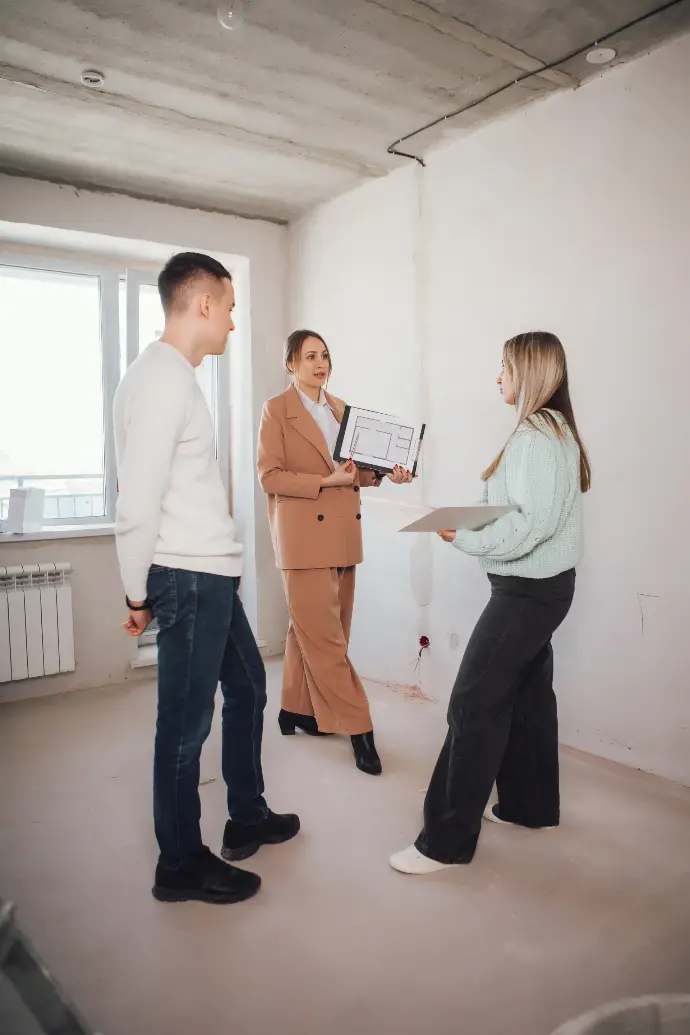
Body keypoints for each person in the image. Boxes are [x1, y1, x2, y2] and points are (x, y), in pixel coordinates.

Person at [114, 251, 299, 905]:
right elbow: (135, 500)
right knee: (186, 724)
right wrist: (136, 593)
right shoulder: (163, 378)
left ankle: (246, 812)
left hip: (209, 573)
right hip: (188, 577)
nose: (232, 319)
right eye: (230, 305)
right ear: (203, 304)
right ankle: (180, 863)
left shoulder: (172, 376)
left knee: (248, 687)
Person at [390, 331, 590, 874]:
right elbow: (513, 506)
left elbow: (529, 524)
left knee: (473, 703)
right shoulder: (551, 430)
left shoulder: (535, 434)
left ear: (529, 371)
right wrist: (460, 517)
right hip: (544, 588)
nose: (496, 375)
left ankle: (446, 842)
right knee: (527, 697)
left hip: (528, 591)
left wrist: (464, 537)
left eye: (503, 366)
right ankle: (529, 807)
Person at [257, 330, 413, 775]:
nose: (320, 363)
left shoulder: (344, 410)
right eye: (309, 356)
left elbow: (357, 473)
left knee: (316, 630)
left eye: (324, 355)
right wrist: (325, 482)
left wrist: (386, 474)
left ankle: (295, 710)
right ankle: (361, 729)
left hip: (343, 533)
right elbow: (270, 476)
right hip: (303, 536)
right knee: (326, 642)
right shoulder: (277, 410)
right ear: (291, 364)